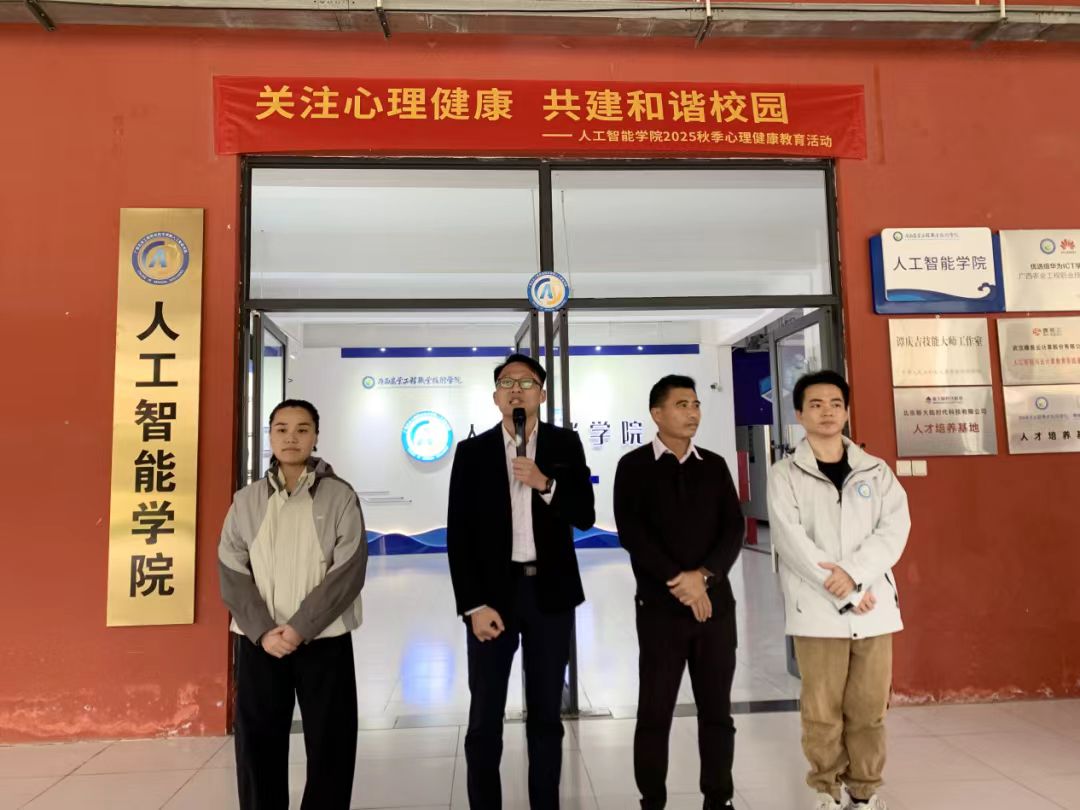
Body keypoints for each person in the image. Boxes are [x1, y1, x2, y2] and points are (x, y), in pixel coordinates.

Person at [447, 352, 596, 810]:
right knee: (484, 719)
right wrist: (473, 605)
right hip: (493, 598)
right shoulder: (472, 453)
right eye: (507, 383)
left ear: (542, 395)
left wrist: (545, 483)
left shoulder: (565, 444)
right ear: (495, 397)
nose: (516, 390)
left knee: (546, 717)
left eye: (527, 382)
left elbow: (585, 515)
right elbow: (459, 534)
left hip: (550, 595)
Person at [767, 370, 910, 810]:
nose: (826, 412)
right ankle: (825, 789)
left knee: (870, 709)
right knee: (822, 711)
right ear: (799, 414)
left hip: (873, 608)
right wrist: (846, 589)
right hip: (819, 609)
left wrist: (855, 575)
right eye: (815, 405)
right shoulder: (785, 474)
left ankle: (865, 791)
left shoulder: (876, 471)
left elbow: (894, 531)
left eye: (835, 404)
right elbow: (791, 542)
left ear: (846, 412)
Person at [218, 399, 368, 810]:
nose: (291, 437)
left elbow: (348, 570)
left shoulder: (340, 496)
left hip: (324, 640)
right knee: (257, 744)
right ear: (269, 436)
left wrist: (301, 627)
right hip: (260, 642)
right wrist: (264, 631)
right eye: (281, 429)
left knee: (331, 743)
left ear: (316, 437)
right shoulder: (246, 500)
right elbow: (231, 568)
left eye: (302, 429)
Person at [613, 374, 744, 810]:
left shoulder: (715, 466)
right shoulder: (633, 467)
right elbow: (634, 535)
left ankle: (718, 799)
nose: (692, 413)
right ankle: (652, 800)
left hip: (714, 609)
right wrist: (681, 582)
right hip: (660, 610)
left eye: (696, 404)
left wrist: (703, 577)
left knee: (717, 713)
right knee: (655, 713)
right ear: (657, 413)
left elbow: (733, 529)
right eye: (682, 405)